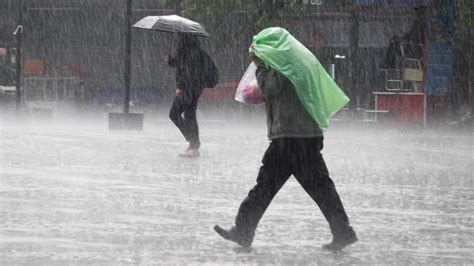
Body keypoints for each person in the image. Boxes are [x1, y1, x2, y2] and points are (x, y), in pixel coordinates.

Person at [214, 29, 357, 251]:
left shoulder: (284, 65)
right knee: (321, 188)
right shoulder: (297, 62)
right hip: (305, 136)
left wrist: (260, 65)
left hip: (290, 139)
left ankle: (243, 231)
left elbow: (270, 89)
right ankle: (343, 231)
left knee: (265, 187)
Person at [166, 33, 217, 158]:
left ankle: (193, 142)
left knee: (174, 114)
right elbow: (182, 65)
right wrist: (171, 61)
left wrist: (180, 86)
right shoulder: (195, 50)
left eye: (178, 33)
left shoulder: (185, 50)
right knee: (190, 114)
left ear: (184, 35)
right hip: (196, 87)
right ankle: (194, 146)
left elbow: (187, 70)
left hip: (187, 88)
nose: (176, 35)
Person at [380, 5, 428, 69]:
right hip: (415, 49)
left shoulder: (418, 22)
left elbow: (414, 38)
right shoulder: (422, 22)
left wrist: (406, 38)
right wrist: (407, 36)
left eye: (416, 10)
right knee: (394, 39)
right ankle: (389, 64)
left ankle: (389, 64)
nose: (415, 12)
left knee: (394, 42)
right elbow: (414, 36)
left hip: (412, 50)